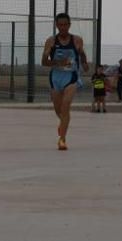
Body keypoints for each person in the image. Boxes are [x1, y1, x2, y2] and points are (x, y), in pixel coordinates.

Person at [41, 12, 89, 151]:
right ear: (56, 25)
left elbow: (82, 53)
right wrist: (59, 62)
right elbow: (44, 62)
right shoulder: (51, 41)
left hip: (71, 77)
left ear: (69, 25)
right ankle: (63, 124)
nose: (63, 28)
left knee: (66, 106)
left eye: (65, 25)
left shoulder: (77, 40)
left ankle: (62, 139)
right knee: (58, 109)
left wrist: (85, 64)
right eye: (60, 25)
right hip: (56, 77)